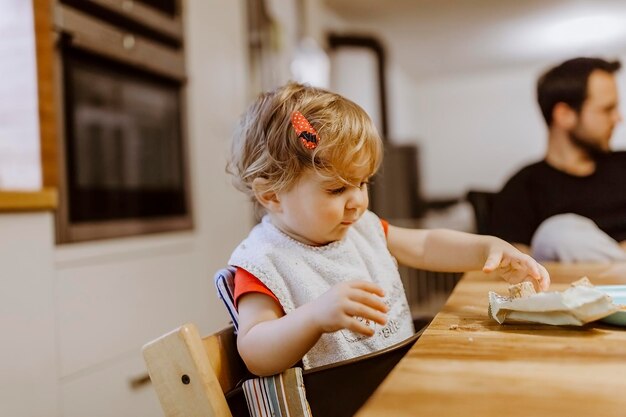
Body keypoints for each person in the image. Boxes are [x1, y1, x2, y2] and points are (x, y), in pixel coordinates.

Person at [227, 82, 550, 377]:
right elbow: (255, 352)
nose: (357, 201)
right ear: (271, 195)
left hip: (397, 380)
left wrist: (485, 248)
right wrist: (314, 317)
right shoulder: (264, 262)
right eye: (337, 189)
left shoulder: (361, 228)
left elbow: (425, 245)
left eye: (362, 183)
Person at [489, 57, 626, 263]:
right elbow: (510, 261)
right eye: (607, 110)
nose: (618, 118)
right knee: (559, 234)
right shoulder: (523, 187)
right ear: (564, 115)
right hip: (578, 289)